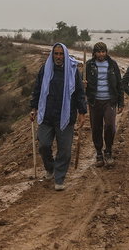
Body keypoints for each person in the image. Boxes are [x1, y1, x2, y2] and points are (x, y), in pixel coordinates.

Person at [30, 43, 87, 191]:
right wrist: (33, 107)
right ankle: (50, 168)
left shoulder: (73, 71)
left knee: (65, 150)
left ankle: (59, 178)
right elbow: (37, 89)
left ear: (65, 55)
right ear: (52, 55)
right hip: (47, 115)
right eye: (56, 54)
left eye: (61, 54)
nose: (58, 57)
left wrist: (82, 112)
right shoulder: (45, 69)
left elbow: (80, 93)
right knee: (43, 144)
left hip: (66, 117)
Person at [85, 42, 124, 168]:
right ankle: (99, 154)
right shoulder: (89, 65)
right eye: (98, 52)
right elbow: (82, 85)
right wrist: (83, 84)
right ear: (94, 53)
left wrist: (121, 102)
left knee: (110, 126)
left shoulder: (113, 65)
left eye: (103, 51)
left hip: (109, 101)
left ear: (106, 52)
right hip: (94, 102)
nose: (101, 54)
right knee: (96, 128)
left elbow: (119, 84)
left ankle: (108, 151)